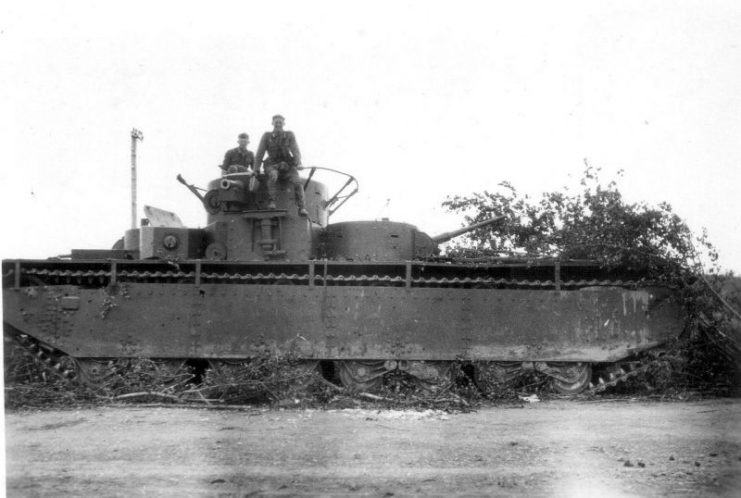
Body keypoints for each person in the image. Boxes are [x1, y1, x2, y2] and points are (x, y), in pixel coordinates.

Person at [254, 115, 308, 216]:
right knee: (273, 176)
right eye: (276, 122)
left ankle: (302, 207)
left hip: (287, 165)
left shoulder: (289, 135)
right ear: (272, 123)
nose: (278, 124)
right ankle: (272, 202)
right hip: (272, 165)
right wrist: (255, 169)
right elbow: (259, 153)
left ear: (283, 123)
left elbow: (295, 150)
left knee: (297, 182)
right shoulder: (267, 136)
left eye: (280, 122)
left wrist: (298, 163)